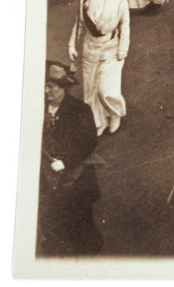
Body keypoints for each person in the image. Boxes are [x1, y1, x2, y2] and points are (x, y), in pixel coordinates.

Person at [40, 62, 103, 256]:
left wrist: (66, 162)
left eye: (51, 86)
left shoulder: (80, 110)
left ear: (63, 88)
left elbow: (88, 143)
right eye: (44, 85)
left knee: (80, 216)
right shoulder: (38, 107)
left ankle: (88, 249)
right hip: (48, 175)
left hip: (76, 175)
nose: (46, 91)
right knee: (52, 213)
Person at [67, 0, 130, 135]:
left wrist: (123, 48)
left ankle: (115, 114)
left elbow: (125, 24)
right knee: (90, 89)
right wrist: (72, 44)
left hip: (111, 47)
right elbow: (79, 24)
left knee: (106, 89)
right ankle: (98, 121)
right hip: (90, 48)